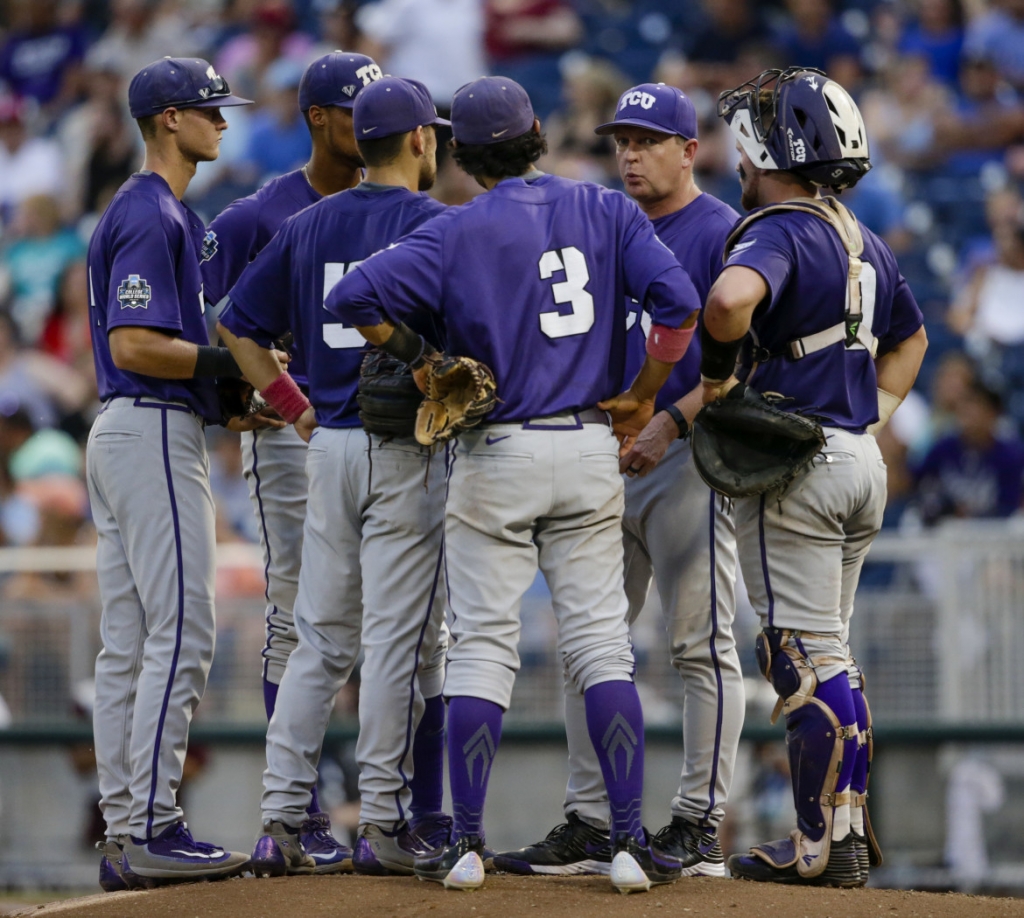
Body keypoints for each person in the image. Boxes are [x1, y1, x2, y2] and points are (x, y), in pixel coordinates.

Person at [327, 75, 702, 894]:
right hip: (585, 442)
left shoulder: (452, 231)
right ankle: (631, 840)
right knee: (602, 644)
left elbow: (352, 295)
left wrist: (423, 358)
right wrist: (642, 391)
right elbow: (679, 306)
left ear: (458, 149)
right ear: (536, 133)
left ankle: (464, 843)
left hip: (496, 450)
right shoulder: (605, 209)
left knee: (484, 650)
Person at [491, 82, 745, 879]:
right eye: (621, 140)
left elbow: (745, 367)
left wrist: (669, 418)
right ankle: (591, 821)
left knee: (699, 645)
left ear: (688, 149)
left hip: (688, 457)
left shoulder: (723, 231)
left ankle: (701, 823)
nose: (630, 153)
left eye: (647, 139)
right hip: (604, 458)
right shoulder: (603, 221)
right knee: (589, 648)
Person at [216, 75, 451, 879]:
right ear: (420, 140)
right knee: (396, 640)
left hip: (329, 445)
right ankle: (383, 820)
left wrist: (294, 405)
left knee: (317, 635)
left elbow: (237, 327)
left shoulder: (310, 222)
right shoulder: (435, 223)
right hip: (403, 450)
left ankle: (283, 815)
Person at [704, 67, 928, 886]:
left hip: (798, 465)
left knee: (800, 655)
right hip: (858, 460)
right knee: (831, 652)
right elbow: (912, 341)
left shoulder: (781, 224)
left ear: (763, 148)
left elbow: (728, 302)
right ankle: (844, 829)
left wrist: (721, 379)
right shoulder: (863, 238)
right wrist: (876, 415)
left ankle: (819, 846)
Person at [201, 50, 388, 872]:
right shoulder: (255, 214)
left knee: (402, 624)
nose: (372, 126)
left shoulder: (403, 204)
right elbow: (212, 327)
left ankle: (396, 805)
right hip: (297, 437)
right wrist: (273, 406)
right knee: (295, 618)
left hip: (386, 435)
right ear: (317, 117)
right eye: (356, 111)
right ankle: (298, 814)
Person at [86, 57, 268, 890]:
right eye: (209, 110)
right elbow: (134, 345)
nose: (223, 122)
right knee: (184, 630)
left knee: (128, 644)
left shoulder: (160, 211)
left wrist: (229, 400)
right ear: (167, 119)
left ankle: (127, 830)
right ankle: (155, 822)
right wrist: (228, 366)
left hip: (133, 428)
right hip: (147, 428)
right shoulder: (151, 211)